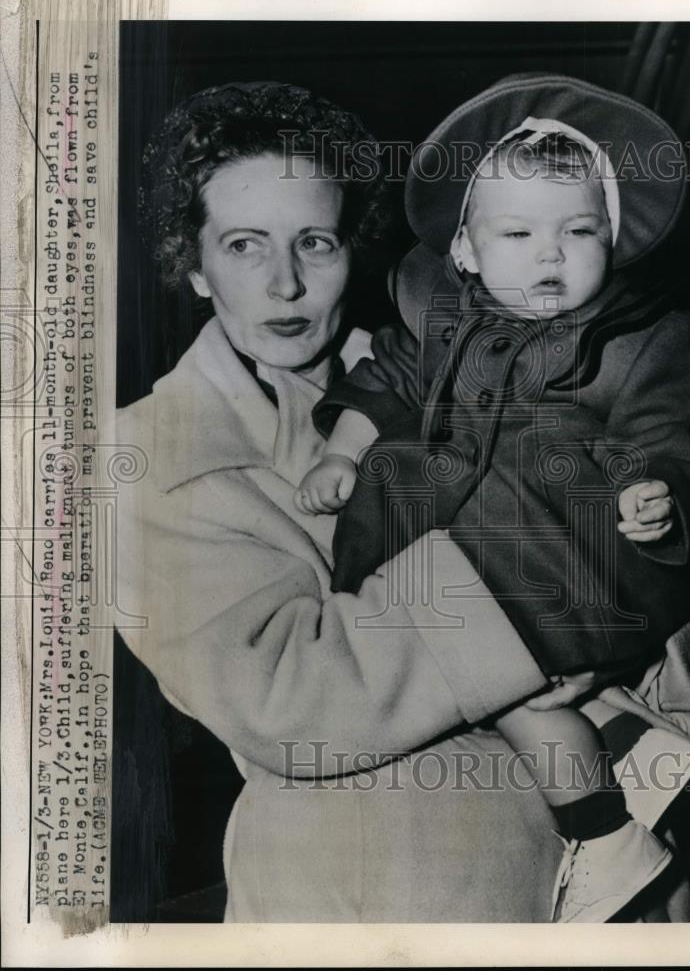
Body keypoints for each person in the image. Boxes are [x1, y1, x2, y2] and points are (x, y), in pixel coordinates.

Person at [115, 79, 613, 923]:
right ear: (192, 267)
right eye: (243, 246)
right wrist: (539, 592)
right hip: (365, 878)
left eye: (314, 241)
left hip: (596, 852)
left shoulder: (457, 376)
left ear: (352, 248)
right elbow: (285, 694)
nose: (285, 285)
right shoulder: (154, 454)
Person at [295, 76, 690, 921]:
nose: (550, 256)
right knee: (491, 690)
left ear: (614, 238)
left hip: (575, 545)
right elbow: (384, 377)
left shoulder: (646, 336)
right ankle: (623, 749)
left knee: (512, 691)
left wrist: (659, 491)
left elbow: (681, 428)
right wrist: (344, 454)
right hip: (458, 545)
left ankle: (605, 837)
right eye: (519, 232)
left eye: (579, 231)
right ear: (465, 251)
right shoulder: (438, 312)